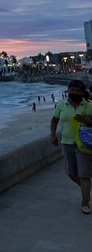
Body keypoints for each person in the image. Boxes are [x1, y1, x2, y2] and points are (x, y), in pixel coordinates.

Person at [51, 79, 92, 214]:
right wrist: (53, 135)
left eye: (78, 91)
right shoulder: (61, 105)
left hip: (84, 145)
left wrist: (87, 120)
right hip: (67, 143)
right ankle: (86, 187)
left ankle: (85, 202)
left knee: (84, 175)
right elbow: (54, 120)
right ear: (68, 91)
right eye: (72, 90)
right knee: (71, 173)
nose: (75, 92)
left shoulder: (89, 106)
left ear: (82, 93)